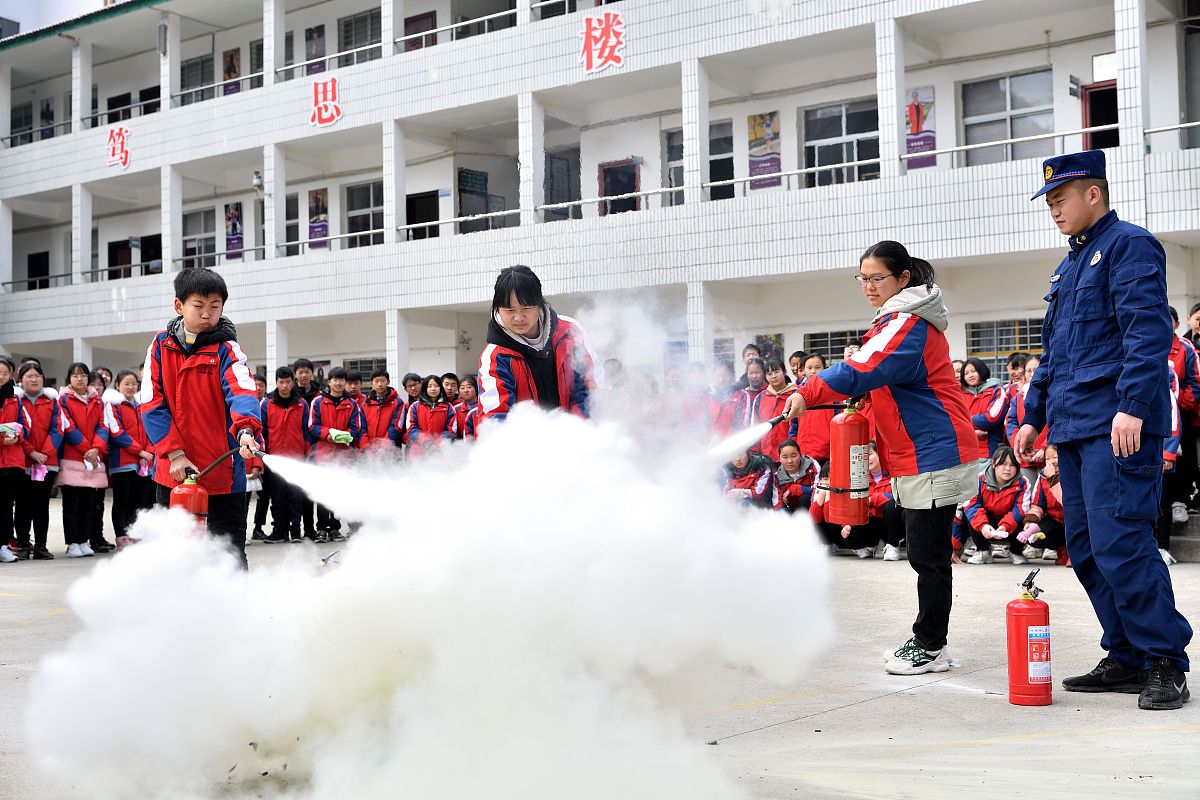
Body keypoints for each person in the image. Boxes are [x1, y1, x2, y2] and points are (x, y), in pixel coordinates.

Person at [1015, 150, 1192, 710]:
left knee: (1123, 543)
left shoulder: (1129, 246)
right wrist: (1033, 416)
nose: (1053, 209)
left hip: (1118, 425)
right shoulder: (1069, 266)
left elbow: (1145, 334)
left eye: (1060, 198)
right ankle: (1126, 655)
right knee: (1088, 549)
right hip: (1073, 427)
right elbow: (1054, 353)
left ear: (1094, 193)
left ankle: (1164, 659)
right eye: (1048, 201)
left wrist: (1134, 407)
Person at [784, 240, 982, 675]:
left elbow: (865, 369)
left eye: (878, 278)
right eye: (863, 278)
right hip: (916, 452)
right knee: (922, 553)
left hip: (935, 450)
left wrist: (808, 390)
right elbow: (876, 380)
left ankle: (931, 645)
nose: (869, 286)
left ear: (903, 278)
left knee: (928, 556)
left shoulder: (908, 323)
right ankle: (930, 640)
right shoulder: (894, 321)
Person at [139, 268, 262, 569]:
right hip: (173, 472)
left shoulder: (227, 350)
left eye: (215, 306)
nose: (207, 314)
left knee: (229, 553)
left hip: (222, 472)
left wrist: (246, 429)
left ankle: (235, 613)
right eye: (199, 306)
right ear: (179, 306)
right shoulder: (159, 346)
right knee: (171, 552)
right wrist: (175, 454)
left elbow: (241, 389)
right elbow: (151, 404)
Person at [478, 266, 601, 424]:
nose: (518, 317)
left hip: (574, 438)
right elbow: (495, 417)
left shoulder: (570, 333)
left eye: (526, 308)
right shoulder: (495, 357)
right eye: (509, 311)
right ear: (498, 309)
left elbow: (587, 391)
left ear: (540, 304)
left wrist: (576, 434)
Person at [55, 362, 110, 558]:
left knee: (89, 503)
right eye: (75, 375)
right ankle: (72, 542)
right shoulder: (63, 399)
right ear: (69, 379)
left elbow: (104, 426)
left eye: (83, 375)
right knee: (71, 504)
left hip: (92, 459)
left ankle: (84, 540)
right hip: (73, 457)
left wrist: (97, 449)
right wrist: (89, 450)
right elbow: (67, 426)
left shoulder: (98, 401)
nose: (80, 379)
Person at [308, 366, 361, 541]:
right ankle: (322, 528)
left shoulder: (352, 404)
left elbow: (355, 428)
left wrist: (344, 435)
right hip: (323, 455)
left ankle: (335, 529)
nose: (338, 383)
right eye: (335, 380)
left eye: (341, 380)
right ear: (328, 382)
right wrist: (328, 434)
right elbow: (312, 426)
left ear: (345, 383)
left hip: (343, 456)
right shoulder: (318, 402)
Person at [260, 366, 311, 543]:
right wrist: (264, 457)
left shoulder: (302, 404)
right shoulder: (267, 403)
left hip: (297, 459)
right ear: (276, 383)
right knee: (278, 498)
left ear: (292, 382)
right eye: (281, 382)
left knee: (296, 497)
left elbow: (307, 432)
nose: (284, 386)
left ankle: (296, 532)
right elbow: (263, 432)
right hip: (275, 459)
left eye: (288, 382)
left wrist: (307, 457)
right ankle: (279, 532)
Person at [104, 369, 155, 546]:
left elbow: (151, 430)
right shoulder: (112, 404)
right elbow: (117, 432)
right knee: (122, 501)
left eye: (134, 384)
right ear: (117, 385)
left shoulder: (142, 405)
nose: (131, 387)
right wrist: (139, 451)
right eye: (127, 383)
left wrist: (147, 452)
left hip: (143, 462)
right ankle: (122, 536)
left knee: (139, 501)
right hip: (122, 462)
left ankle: (135, 534)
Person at [14, 363, 58, 560]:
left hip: (46, 463)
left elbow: (58, 429)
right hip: (23, 463)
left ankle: (41, 546)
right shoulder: (15, 402)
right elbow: (17, 429)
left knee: (41, 507)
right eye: (29, 376)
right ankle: (23, 545)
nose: (34, 379)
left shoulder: (51, 401)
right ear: (21, 380)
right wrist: (31, 452)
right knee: (23, 506)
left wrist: (44, 454)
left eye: (37, 376)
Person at [962, 447, 1032, 565]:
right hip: (987, 521)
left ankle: (1016, 552)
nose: (1008, 469)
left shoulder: (1023, 482)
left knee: (1024, 518)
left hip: (1009, 523)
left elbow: (1020, 508)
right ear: (994, 464)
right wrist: (983, 526)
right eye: (1003, 464)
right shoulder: (978, 480)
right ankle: (983, 551)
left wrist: (1005, 526)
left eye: (1012, 465)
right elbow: (972, 505)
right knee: (971, 517)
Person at [0, 357, 31, 563]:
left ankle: (2, 545)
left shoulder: (14, 399)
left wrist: (16, 437)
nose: (1, 377)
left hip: (10, 462)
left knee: (5, 506)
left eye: (5, 373)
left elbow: (25, 426)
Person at [961, 357, 1004, 458]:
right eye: (966, 373)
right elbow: (954, 420)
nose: (970, 375)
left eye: (973, 371)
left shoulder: (996, 391)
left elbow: (991, 419)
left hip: (989, 451)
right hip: (966, 452)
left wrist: (965, 421)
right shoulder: (961, 394)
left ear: (982, 370)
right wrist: (972, 432)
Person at [750, 358, 794, 458]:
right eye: (769, 374)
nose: (773, 376)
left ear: (784, 372)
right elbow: (755, 426)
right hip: (766, 454)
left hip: (790, 455)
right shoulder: (760, 398)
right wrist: (755, 452)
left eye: (776, 372)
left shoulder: (795, 395)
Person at [404, 375, 455, 455]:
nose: (433, 389)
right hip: (419, 451)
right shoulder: (415, 406)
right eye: (429, 386)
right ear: (425, 388)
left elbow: (451, 429)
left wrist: (439, 443)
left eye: (436, 386)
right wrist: (425, 441)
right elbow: (411, 428)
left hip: (441, 451)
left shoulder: (448, 407)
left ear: (440, 388)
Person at [361, 369, 404, 451]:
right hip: (369, 451)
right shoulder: (366, 403)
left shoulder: (397, 402)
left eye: (383, 381)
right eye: (376, 381)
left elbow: (396, 427)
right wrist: (366, 446)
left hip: (390, 450)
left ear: (388, 382)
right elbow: (362, 427)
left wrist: (383, 448)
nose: (380, 384)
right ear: (371, 383)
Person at [775, 439, 818, 514]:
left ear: (800, 455)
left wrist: (795, 489)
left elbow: (818, 491)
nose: (790, 461)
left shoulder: (812, 467)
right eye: (785, 457)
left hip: (811, 512)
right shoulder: (777, 476)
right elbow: (778, 502)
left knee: (805, 498)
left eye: (794, 456)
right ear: (779, 459)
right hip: (790, 513)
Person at [454, 375, 481, 441]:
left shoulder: (483, 407)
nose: (466, 390)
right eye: (462, 388)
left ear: (476, 388)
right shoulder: (456, 409)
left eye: (469, 387)